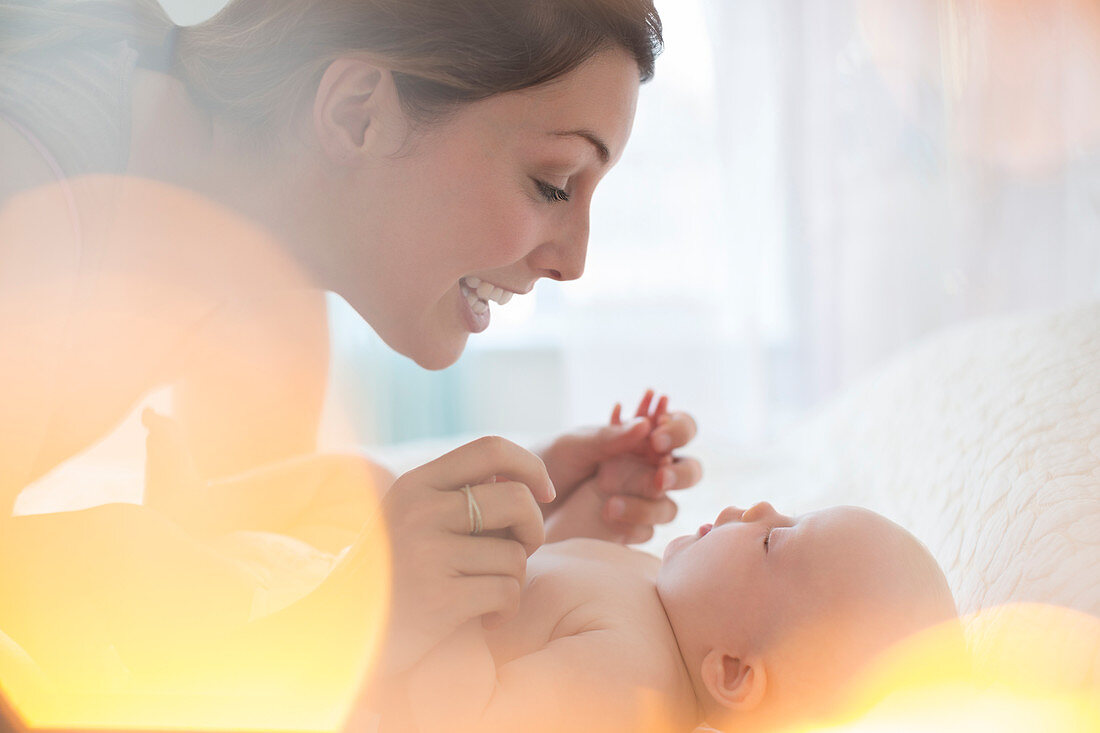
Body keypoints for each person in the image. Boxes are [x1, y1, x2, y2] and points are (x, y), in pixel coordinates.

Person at [0, 0, 705, 725]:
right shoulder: (28, 201)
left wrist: (519, 554)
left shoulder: (270, 281)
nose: (574, 261)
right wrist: (342, 626)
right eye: (553, 182)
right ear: (357, 113)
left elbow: (245, 571)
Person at [367, 501, 959, 733]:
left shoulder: (629, 680)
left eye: (772, 541)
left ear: (732, 673)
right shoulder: (656, 588)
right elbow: (550, 573)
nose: (754, 508)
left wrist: (452, 604)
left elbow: (467, 718)